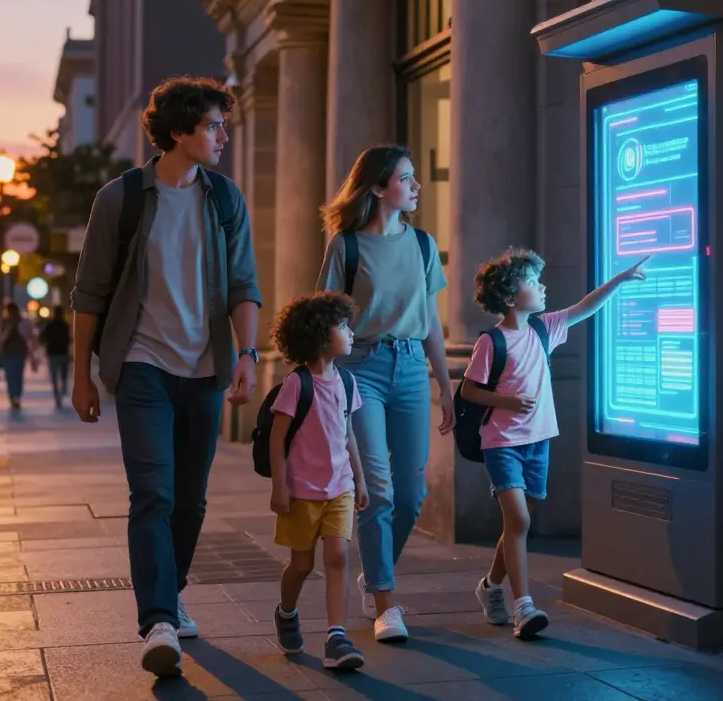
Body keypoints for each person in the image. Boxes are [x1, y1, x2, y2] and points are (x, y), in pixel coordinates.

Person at [69, 76, 262, 679]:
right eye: (212, 126)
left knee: (190, 499)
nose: (223, 136)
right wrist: (81, 374)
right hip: (142, 365)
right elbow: (89, 293)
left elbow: (243, 283)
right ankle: (157, 621)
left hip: (205, 368)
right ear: (178, 132)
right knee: (153, 493)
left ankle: (170, 592)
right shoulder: (120, 199)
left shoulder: (225, 199)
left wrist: (249, 354)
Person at [462, 248, 648, 638]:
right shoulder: (492, 342)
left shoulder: (544, 329)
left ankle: (490, 586)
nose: (543, 287)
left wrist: (618, 280)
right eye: (533, 281)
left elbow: (585, 307)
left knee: (518, 523)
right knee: (520, 521)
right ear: (510, 297)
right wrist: (507, 402)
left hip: (538, 441)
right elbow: (469, 391)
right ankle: (524, 607)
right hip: (502, 443)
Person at [315, 144, 454, 643]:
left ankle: (374, 574)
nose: (416, 186)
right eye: (405, 178)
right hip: (361, 370)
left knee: (412, 495)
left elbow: (431, 321)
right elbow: (325, 318)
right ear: (377, 187)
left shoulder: (422, 244)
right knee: (377, 490)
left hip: (413, 369)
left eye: (414, 177)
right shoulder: (346, 246)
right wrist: (322, 384)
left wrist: (445, 385)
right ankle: (385, 604)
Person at [267, 291, 369, 671]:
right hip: (301, 492)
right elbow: (277, 438)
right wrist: (279, 486)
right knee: (301, 565)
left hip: (339, 487)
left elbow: (348, 435)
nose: (351, 332)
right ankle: (286, 611)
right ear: (321, 335)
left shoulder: (347, 381)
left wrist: (360, 480)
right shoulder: (298, 383)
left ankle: (336, 636)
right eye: (343, 325)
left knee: (338, 556)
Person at [0, 302, 38, 411]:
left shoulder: (22, 323)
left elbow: (29, 337)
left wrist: (32, 355)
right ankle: (13, 397)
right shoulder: (5, 323)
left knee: (17, 376)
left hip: (19, 353)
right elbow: (0, 338)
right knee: (11, 376)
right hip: (9, 353)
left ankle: (16, 397)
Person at [40, 305, 72, 408]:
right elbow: (69, 339)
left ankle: (58, 394)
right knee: (62, 375)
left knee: (57, 376)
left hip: (55, 353)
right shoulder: (63, 325)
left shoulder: (51, 325)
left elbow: (43, 337)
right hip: (60, 352)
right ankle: (60, 393)